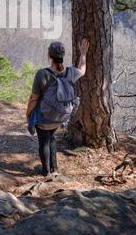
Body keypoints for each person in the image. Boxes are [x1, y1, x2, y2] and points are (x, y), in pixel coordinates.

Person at [26, 38, 90, 177]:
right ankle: (54, 169)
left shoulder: (42, 74)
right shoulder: (70, 73)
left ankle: (46, 171)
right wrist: (83, 53)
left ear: (49, 55)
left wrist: (28, 114)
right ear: (63, 56)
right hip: (61, 116)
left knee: (44, 141)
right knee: (52, 138)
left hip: (44, 117)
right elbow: (82, 70)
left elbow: (34, 99)